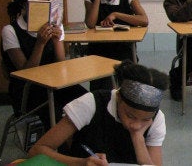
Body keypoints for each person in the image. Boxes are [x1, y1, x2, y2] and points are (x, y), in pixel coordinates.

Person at [28, 62, 168, 166]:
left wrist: (137, 137)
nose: (137, 125)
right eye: (130, 116)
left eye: (145, 120)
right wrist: (81, 162)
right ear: (118, 97)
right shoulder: (92, 103)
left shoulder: (157, 118)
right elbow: (37, 150)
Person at [1, 0, 87, 128]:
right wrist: (40, 43)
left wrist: (56, 40)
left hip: (54, 84)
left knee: (85, 99)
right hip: (27, 91)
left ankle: (81, 144)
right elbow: (26, 73)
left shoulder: (55, 25)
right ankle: (56, 147)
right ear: (24, 6)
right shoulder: (10, 30)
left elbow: (61, 65)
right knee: (54, 110)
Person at [84, 0, 149, 90]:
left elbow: (144, 20)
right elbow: (90, 24)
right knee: (101, 87)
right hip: (99, 50)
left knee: (127, 85)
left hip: (123, 48)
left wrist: (116, 14)